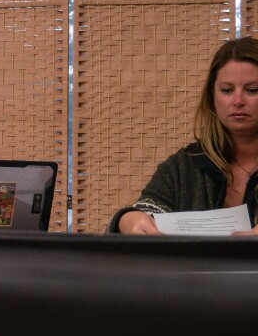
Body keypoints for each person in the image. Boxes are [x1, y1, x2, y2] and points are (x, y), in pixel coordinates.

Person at [108, 37, 258, 235]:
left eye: (253, 90)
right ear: (212, 97)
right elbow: (149, 209)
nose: (238, 101)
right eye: (227, 90)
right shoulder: (185, 165)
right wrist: (128, 219)